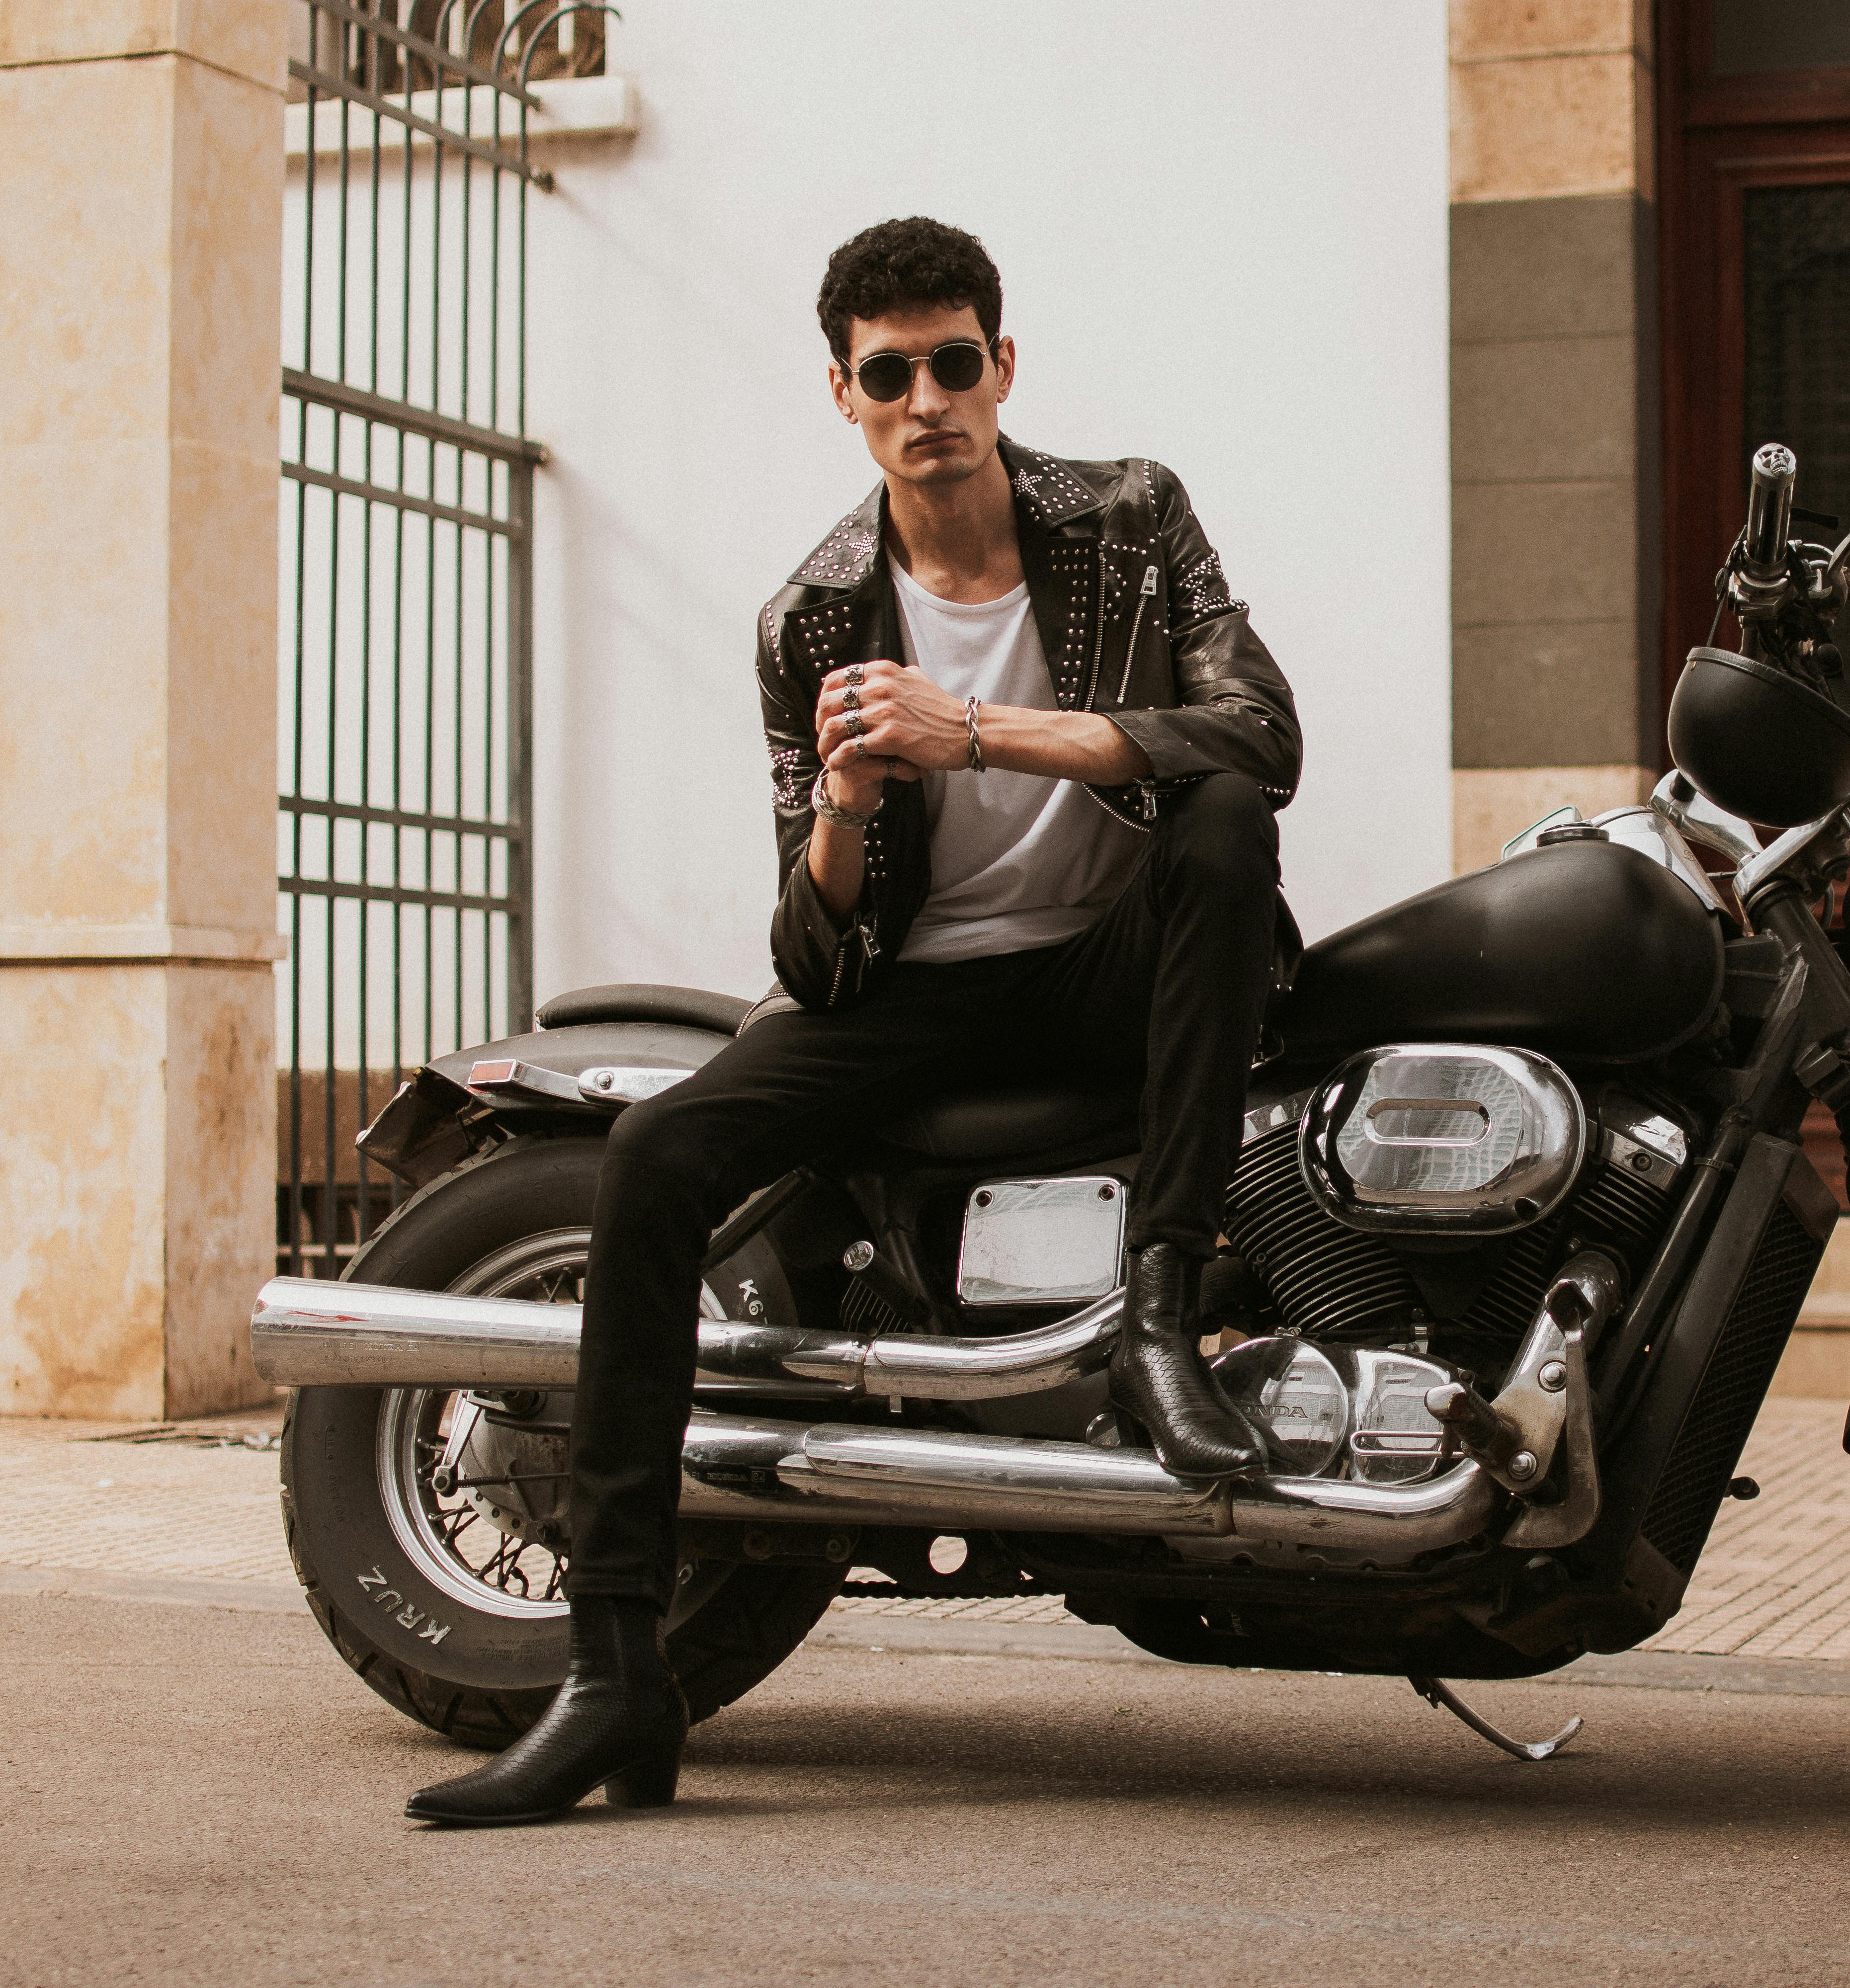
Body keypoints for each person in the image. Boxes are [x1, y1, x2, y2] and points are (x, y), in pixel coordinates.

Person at [408, 216, 1301, 1826]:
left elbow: (1257, 734)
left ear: (1001, 366)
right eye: (890, 375)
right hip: (916, 998)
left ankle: (1162, 1314)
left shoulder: (1126, 516)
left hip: (1109, 963)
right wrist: (839, 806)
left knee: (1228, 826)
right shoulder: (812, 619)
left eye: (956, 363)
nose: (929, 401)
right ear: (844, 392)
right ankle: (616, 1676)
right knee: (665, 1152)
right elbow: (818, 963)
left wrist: (983, 733)